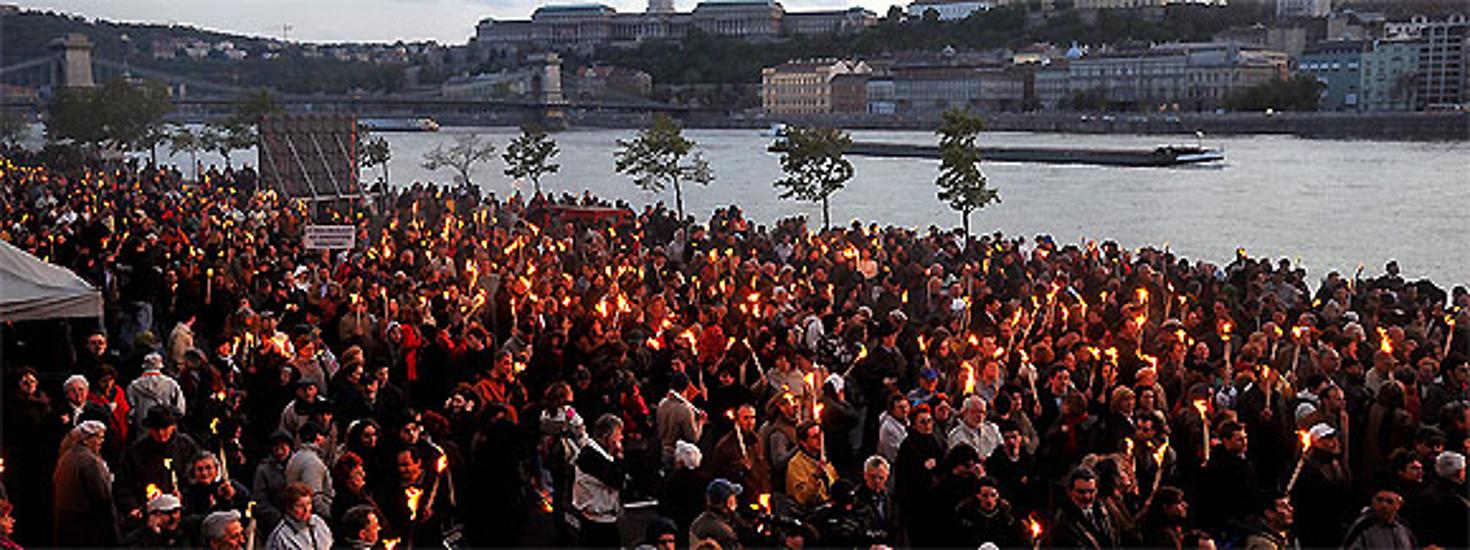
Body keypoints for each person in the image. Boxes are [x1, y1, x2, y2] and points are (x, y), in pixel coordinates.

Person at [51, 421, 119, 547]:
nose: (102, 441)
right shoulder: (89, 462)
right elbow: (102, 498)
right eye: (99, 437)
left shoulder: (67, 456)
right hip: (86, 528)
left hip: (66, 526)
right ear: (87, 439)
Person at [573, 414, 627, 548]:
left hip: (602, 519)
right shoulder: (591, 457)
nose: (621, 438)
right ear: (608, 436)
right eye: (619, 434)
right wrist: (620, 456)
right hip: (597, 523)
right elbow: (617, 480)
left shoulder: (598, 455)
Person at [1047, 467, 1119, 550]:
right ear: (1070, 492)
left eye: (1091, 491)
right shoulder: (1063, 521)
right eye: (1081, 492)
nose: (1087, 496)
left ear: (1097, 491)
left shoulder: (1104, 511)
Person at [285, 422, 334, 518]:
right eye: (323, 436)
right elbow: (314, 496)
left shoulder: (296, 456)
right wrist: (330, 515)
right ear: (318, 437)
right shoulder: (312, 462)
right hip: (309, 517)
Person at [786, 421, 838, 509]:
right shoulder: (795, 464)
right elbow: (802, 498)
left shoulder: (823, 458)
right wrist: (815, 477)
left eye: (820, 435)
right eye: (814, 437)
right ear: (803, 442)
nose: (819, 440)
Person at [266, 482, 333, 550]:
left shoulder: (319, 523)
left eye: (308, 504)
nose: (306, 510)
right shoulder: (280, 536)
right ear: (289, 508)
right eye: (300, 506)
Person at [1340, 489, 1414, 549]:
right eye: (1379, 500)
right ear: (1372, 502)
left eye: (1389, 502)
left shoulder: (1404, 527)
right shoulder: (1362, 526)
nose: (1383, 505)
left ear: (1398, 505)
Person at [689, 479, 742, 550]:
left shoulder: (700, 521)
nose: (736, 501)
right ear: (726, 502)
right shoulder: (723, 531)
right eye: (732, 497)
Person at [949, 394, 1002, 459]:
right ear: (965, 413)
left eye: (982, 412)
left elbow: (1002, 451)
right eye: (974, 412)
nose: (979, 416)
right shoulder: (957, 435)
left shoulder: (992, 429)